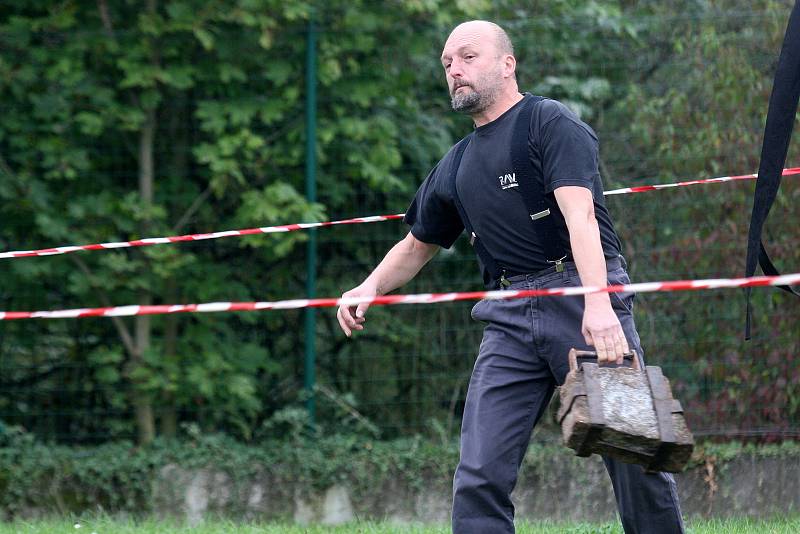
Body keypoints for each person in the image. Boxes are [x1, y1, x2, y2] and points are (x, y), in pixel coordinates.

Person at [336, 20, 684, 534]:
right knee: (479, 473)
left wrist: (599, 306)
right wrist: (368, 287)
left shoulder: (550, 123)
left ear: (507, 63)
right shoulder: (456, 165)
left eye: (467, 57)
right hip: (508, 318)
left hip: (581, 299)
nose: (454, 69)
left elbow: (580, 218)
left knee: (634, 455)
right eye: (447, 63)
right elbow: (416, 245)